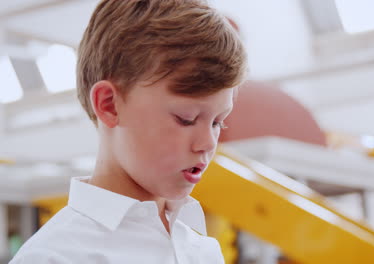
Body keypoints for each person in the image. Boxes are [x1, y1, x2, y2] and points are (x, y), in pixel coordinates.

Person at [10, 0, 247, 263]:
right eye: (186, 119)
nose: (207, 143)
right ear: (109, 105)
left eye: (217, 122)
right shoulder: (55, 257)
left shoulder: (204, 251)